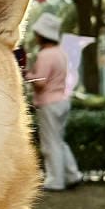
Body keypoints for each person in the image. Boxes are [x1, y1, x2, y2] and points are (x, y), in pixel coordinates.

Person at [28, 12, 83, 192]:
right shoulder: (61, 53)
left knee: (49, 143)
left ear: (42, 35)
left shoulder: (45, 55)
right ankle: (72, 174)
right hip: (62, 101)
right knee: (59, 141)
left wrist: (26, 75)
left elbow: (41, 82)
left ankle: (55, 180)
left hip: (48, 103)